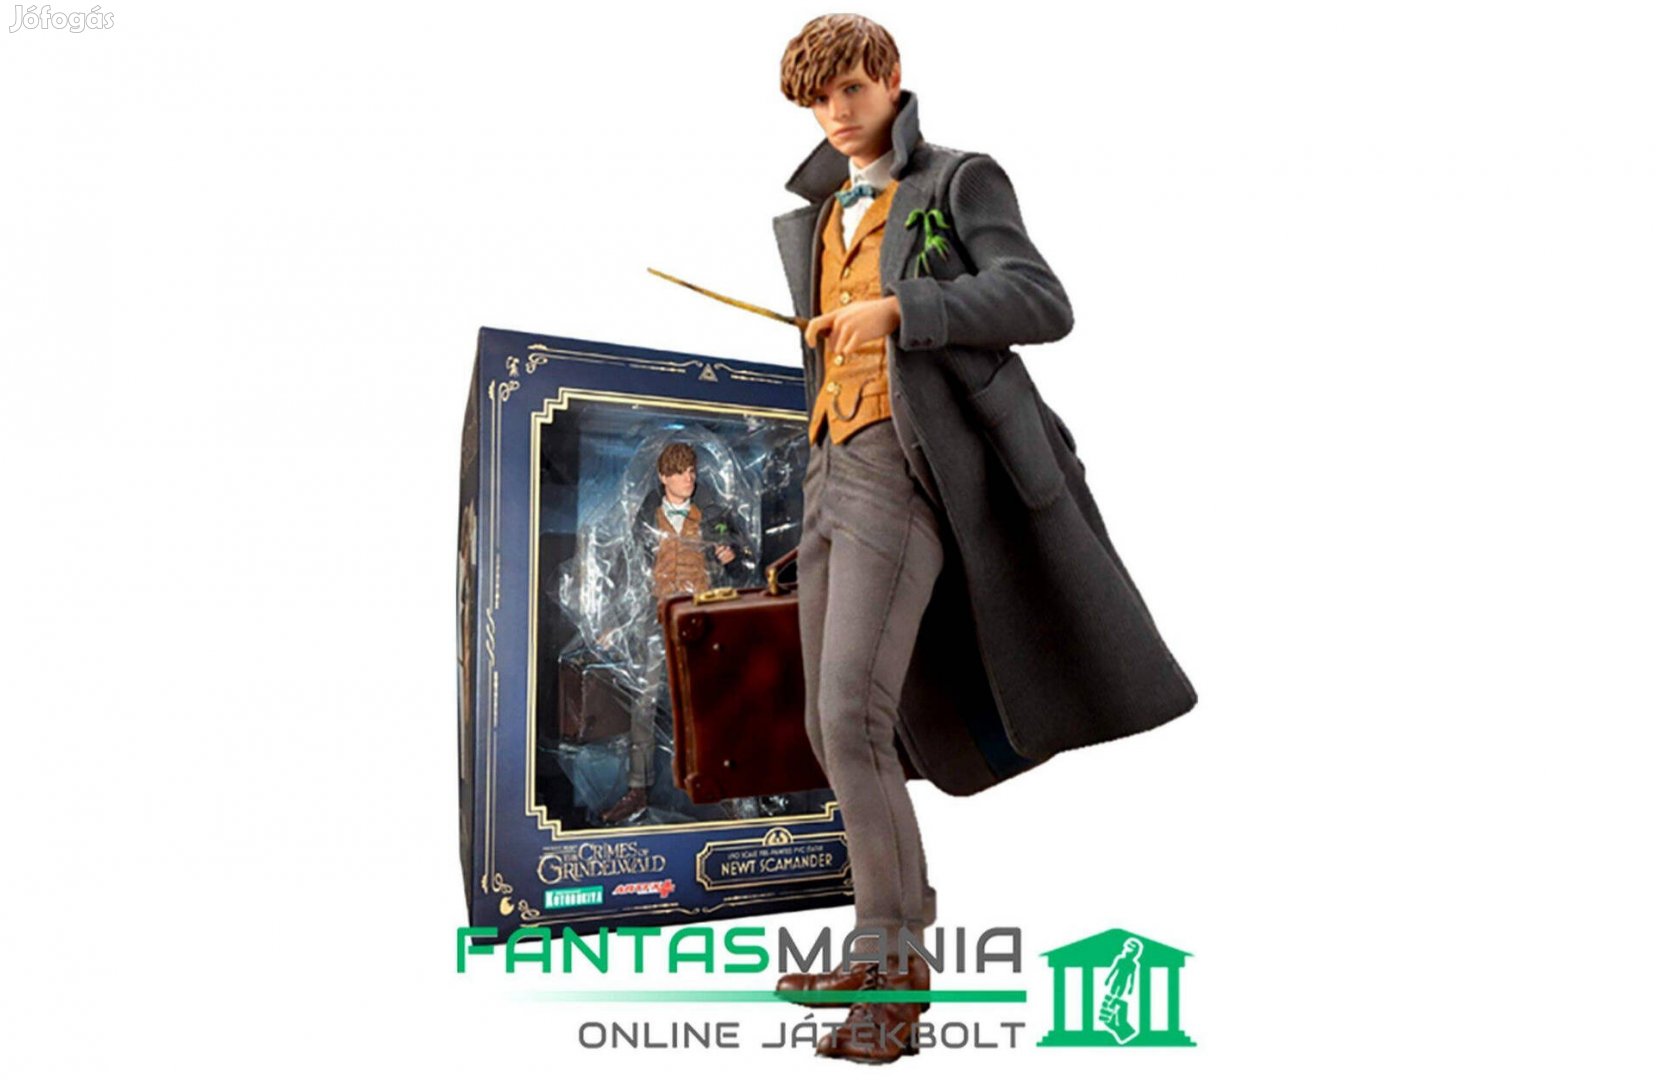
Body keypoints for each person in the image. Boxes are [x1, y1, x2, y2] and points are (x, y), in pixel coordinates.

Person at [767, 14, 1197, 1064]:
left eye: (851, 87)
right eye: (818, 98)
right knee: (831, 726)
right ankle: (885, 934)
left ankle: (895, 976)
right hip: (828, 464)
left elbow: (1040, 300)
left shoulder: (958, 180)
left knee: (853, 715)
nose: (836, 111)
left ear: (891, 78)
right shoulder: (820, 216)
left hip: (907, 466)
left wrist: (901, 310)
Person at [597, 441, 745, 824]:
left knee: (708, 703)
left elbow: (736, 557)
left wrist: (728, 555)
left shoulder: (711, 514)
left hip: (700, 618)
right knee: (644, 702)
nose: (688, 478)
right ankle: (638, 789)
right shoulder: (648, 519)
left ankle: (721, 784)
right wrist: (613, 619)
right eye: (680, 472)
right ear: (664, 477)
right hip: (657, 617)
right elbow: (629, 572)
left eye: (692, 471)